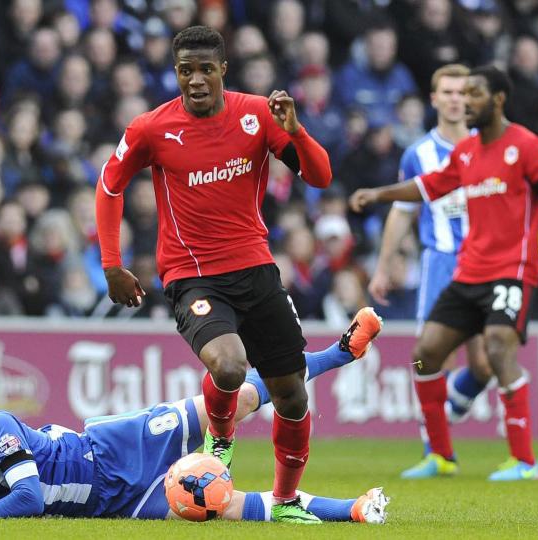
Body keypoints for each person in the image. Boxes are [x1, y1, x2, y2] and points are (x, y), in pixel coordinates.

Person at [93, 25, 381, 521]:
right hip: (192, 275)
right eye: (186, 70)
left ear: (223, 69)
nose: (197, 80)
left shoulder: (256, 116)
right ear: (177, 73)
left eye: (206, 69)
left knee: (291, 394)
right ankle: (220, 439)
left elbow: (320, 176)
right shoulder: (151, 128)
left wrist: (295, 131)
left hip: (256, 269)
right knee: (228, 365)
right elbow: (109, 185)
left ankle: (287, 501)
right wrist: (111, 263)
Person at [0, 331, 390, 524]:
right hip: (117, 505)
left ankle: (338, 351)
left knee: (233, 403)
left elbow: (30, 498)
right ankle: (353, 511)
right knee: (226, 506)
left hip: (113, 446)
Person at [350, 66, 538, 481]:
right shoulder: (466, 153)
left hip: (512, 271)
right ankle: (440, 455)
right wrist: (378, 194)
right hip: (467, 272)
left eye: (474, 94)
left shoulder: (528, 147)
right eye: (461, 93)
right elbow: (426, 188)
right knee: (425, 353)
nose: (467, 102)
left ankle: (524, 461)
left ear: (497, 99)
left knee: (496, 348)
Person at [366, 64, 494, 466]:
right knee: (430, 357)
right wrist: (384, 265)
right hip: (440, 263)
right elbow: (402, 212)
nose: (456, 98)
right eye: (448, 91)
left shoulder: (490, 144)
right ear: (434, 98)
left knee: (486, 364)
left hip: (487, 262)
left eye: (463, 92)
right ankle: (436, 449)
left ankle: (448, 410)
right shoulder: (418, 153)